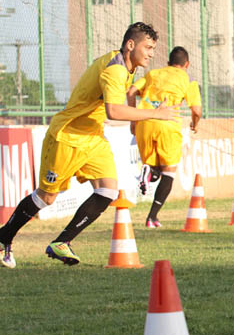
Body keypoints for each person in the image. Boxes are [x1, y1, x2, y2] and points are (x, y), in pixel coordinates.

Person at [0, 22, 178, 268]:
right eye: (147, 47)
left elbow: (119, 102)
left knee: (108, 190)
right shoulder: (114, 70)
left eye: (153, 48)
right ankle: (3, 238)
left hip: (93, 137)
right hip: (68, 136)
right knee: (46, 198)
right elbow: (113, 111)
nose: (151, 53)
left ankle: (62, 242)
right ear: (130, 45)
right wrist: (155, 114)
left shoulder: (127, 67)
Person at [127, 46, 202, 228]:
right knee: (168, 172)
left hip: (145, 121)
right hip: (168, 123)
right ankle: (152, 217)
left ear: (168, 63)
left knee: (153, 170)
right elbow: (196, 110)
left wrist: (132, 119)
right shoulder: (188, 79)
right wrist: (195, 123)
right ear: (187, 64)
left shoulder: (153, 73)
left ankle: (148, 171)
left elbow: (130, 91)